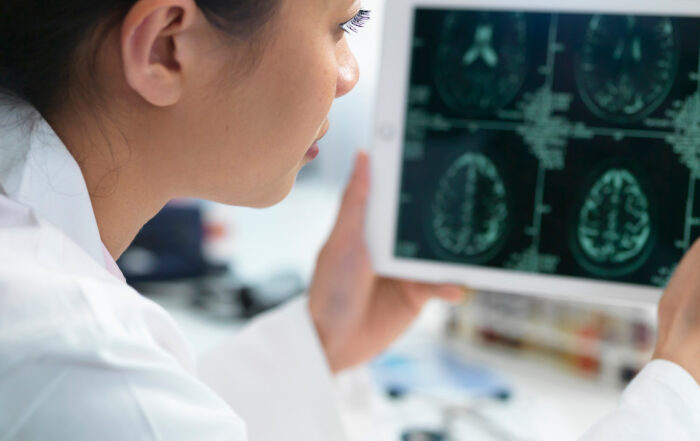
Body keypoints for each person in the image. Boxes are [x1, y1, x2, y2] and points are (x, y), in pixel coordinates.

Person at [0, 0, 697, 440]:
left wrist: (319, 340)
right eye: (340, 26)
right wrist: (679, 384)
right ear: (165, 47)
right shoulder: (73, 344)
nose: (349, 72)